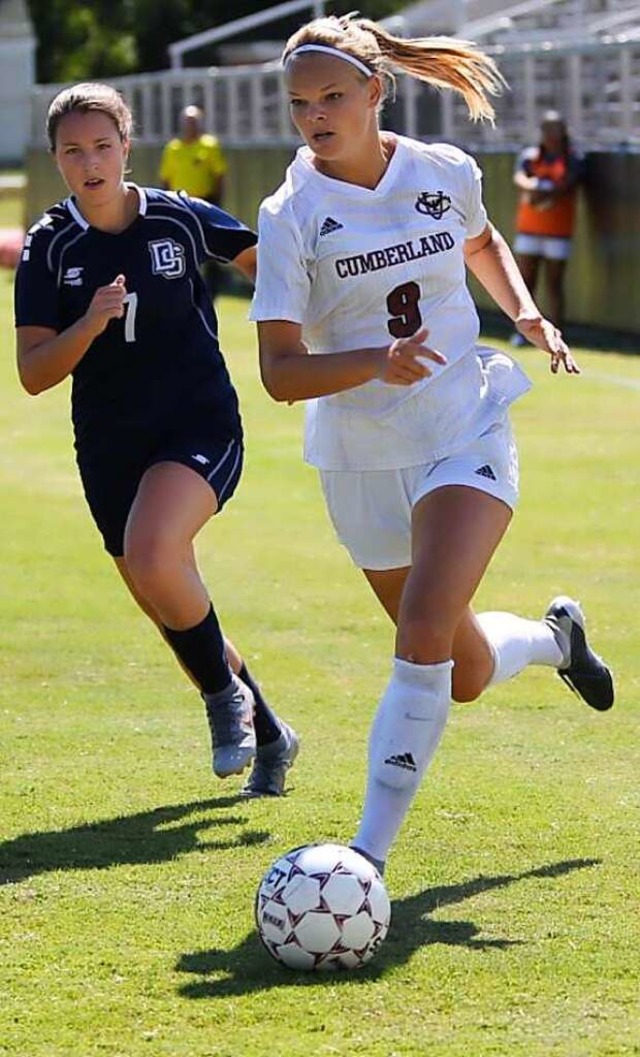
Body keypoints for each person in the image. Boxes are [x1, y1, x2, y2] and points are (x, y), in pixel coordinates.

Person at [249, 16, 614, 875]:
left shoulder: (444, 171)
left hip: (464, 423)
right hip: (359, 455)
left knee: (418, 630)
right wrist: (376, 358)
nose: (315, 115)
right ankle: (557, 641)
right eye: (300, 103)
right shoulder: (290, 211)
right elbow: (277, 372)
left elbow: (481, 243)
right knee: (460, 669)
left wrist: (522, 310)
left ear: (378, 91)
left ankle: (362, 862)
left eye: (333, 96)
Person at [14, 82, 298, 798]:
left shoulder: (177, 218)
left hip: (197, 421)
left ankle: (220, 705)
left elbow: (268, 268)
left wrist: (303, 334)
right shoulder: (50, 247)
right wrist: (88, 323)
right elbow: (33, 373)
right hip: (109, 443)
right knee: (163, 592)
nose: (90, 161)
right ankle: (269, 731)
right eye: (73, 150)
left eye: (102, 145)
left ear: (127, 146)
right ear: (55, 158)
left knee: (153, 552)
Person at [511, 111, 584, 345]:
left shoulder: (573, 158)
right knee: (526, 282)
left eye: (555, 129)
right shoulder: (531, 157)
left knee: (554, 284)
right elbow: (520, 178)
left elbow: (568, 184)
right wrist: (532, 187)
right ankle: (525, 332)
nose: (550, 135)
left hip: (557, 231)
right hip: (530, 228)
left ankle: (557, 332)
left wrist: (541, 193)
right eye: (546, 129)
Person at [160, 105, 228, 300]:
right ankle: (182, 290)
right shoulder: (173, 148)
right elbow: (165, 178)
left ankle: (211, 292)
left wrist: (216, 204)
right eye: (188, 122)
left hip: (205, 203)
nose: (191, 126)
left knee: (211, 251)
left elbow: (219, 175)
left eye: (195, 122)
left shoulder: (209, 145)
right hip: (179, 205)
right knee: (181, 248)